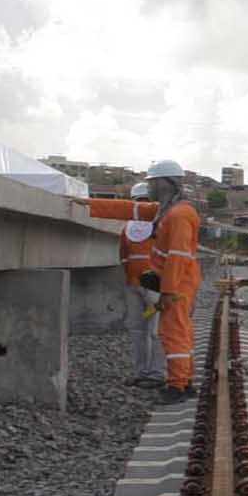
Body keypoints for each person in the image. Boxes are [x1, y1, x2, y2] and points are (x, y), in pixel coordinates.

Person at [84, 181, 165, 386]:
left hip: (148, 287)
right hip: (143, 288)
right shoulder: (138, 228)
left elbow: (124, 257)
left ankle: (155, 374)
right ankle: (145, 373)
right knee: (144, 331)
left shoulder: (153, 227)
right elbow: (125, 256)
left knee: (152, 332)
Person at [141, 160, 204, 405]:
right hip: (179, 280)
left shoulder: (178, 215)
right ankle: (184, 381)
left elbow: (177, 255)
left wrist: (167, 290)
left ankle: (176, 386)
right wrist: (90, 205)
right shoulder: (171, 210)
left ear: (163, 184)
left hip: (177, 283)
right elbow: (130, 209)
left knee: (173, 333)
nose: (148, 187)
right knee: (182, 331)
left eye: (151, 183)